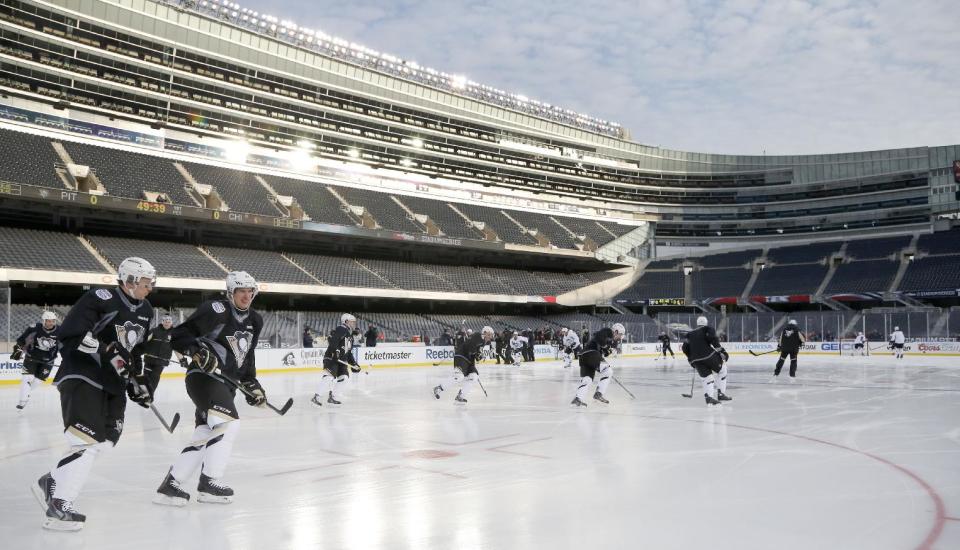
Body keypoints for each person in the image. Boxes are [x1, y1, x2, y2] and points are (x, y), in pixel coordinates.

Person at [32, 257, 156, 530]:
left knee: (105, 441)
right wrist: (106, 351)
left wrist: (139, 382)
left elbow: (135, 354)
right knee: (86, 441)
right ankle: (59, 505)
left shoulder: (146, 309)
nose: (150, 288)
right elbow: (71, 334)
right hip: (84, 376)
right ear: (130, 281)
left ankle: (52, 480)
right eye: (146, 283)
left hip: (114, 385)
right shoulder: (101, 298)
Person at [153, 271, 265, 507]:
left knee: (205, 433)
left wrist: (252, 384)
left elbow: (246, 357)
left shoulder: (255, 320)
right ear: (230, 292)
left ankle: (171, 485)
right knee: (228, 423)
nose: (246, 296)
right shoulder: (216, 310)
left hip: (226, 384)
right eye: (241, 291)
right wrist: (197, 351)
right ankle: (210, 482)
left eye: (250, 291)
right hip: (203, 377)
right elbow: (179, 335)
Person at [433, 326, 495, 403]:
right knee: (459, 377)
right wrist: (477, 353)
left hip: (469, 361)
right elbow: (472, 348)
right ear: (484, 333)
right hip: (461, 356)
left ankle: (460, 396)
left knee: (474, 377)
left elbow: (476, 355)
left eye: (491, 335)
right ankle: (439, 388)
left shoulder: (483, 342)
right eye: (489, 334)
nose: (490, 337)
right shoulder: (478, 335)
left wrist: (479, 356)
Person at [13, 310, 60, 410]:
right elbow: (21, 340)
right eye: (48, 321)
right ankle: (22, 401)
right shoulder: (34, 328)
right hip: (31, 358)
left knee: (38, 381)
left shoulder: (60, 331)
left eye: (52, 321)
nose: (50, 323)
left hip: (48, 361)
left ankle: (27, 393)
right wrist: (17, 351)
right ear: (43, 321)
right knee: (27, 379)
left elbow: (65, 346)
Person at [311, 314, 360, 406]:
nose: (354, 323)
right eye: (352, 321)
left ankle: (333, 397)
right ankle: (316, 397)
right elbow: (334, 342)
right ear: (346, 321)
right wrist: (336, 352)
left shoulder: (350, 336)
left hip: (341, 361)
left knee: (344, 378)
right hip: (332, 358)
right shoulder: (341, 329)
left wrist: (354, 364)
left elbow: (348, 352)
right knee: (329, 377)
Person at [571, 323, 624, 406]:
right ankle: (599, 393)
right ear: (616, 331)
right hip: (591, 353)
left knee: (587, 379)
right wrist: (607, 346)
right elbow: (598, 337)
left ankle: (578, 399)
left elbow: (605, 353)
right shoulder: (608, 331)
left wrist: (609, 351)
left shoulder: (613, 342)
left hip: (583, 357)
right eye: (620, 334)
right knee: (608, 371)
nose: (620, 337)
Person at [681, 316, 731, 406]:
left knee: (708, 378)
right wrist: (723, 352)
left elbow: (684, 348)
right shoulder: (708, 329)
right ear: (706, 323)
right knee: (723, 370)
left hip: (695, 360)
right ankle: (721, 394)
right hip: (708, 356)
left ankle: (709, 398)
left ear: (697, 323)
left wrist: (690, 359)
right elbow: (714, 340)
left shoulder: (689, 334)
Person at [141, 314, 176, 401]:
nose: (167, 323)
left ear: (171, 323)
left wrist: (182, 359)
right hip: (149, 359)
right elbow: (144, 341)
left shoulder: (174, 334)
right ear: (162, 322)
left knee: (155, 377)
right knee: (146, 377)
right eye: (165, 321)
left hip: (161, 362)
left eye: (169, 322)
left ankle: (149, 395)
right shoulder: (154, 331)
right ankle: (144, 393)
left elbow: (177, 348)